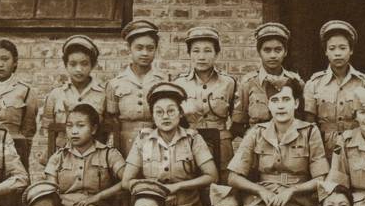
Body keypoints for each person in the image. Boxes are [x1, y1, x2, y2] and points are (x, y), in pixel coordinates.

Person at [227, 76, 328, 206]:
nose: (280, 106)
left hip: (298, 202)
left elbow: (321, 178)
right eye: (275, 100)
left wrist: (292, 191)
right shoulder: (257, 132)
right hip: (261, 201)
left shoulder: (309, 132)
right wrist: (260, 190)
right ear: (269, 105)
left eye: (286, 99)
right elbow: (233, 177)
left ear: (296, 103)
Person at [122, 82, 218, 206]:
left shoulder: (192, 139)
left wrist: (178, 187)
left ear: (180, 113)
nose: (165, 116)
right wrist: (155, 191)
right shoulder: (143, 140)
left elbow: (212, 175)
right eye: (159, 112)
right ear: (152, 116)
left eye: (171, 111)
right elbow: (126, 181)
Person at [43, 103, 126, 206]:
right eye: (69, 126)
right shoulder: (58, 157)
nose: (74, 131)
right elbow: (50, 193)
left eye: (80, 126)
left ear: (93, 129)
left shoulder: (108, 154)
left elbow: (128, 180)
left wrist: (97, 198)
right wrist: (72, 205)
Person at [171, 26, 237, 177]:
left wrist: (225, 136)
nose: (201, 56)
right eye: (196, 51)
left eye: (207, 51)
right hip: (189, 144)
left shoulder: (228, 83)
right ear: (189, 54)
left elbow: (238, 119)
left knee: (222, 185)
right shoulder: (179, 84)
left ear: (217, 54)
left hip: (222, 146)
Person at [303, 20, 365, 156]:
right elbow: (309, 124)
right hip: (324, 149)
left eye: (342, 48)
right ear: (326, 51)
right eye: (332, 48)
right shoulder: (314, 83)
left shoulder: (364, 82)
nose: (337, 53)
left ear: (351, 50)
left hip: (357, 147)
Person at [104, 19, 166, 158]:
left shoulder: (163, 82)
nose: (145, 53)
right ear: (129, 49)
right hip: (124, 143)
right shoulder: (115, 84)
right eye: (139, 48)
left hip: (157, 141)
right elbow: (111, 120)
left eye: (150, 48)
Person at [231, 22, 304, 136]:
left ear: (285, 52)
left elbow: (303, 121)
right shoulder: (248, 83)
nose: (273, 55)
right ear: (259, 52)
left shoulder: (296, 82)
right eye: (267, 50)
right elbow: (238, 125)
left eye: (278, 50)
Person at [41, 35, 107, 155]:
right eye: (73, 64)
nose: (78, 69)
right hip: (61, 156)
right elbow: (47, 131)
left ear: (93, 64)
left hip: (94, 157)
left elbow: (108, 132)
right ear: (65, 64)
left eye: (84, 64)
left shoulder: (103, 95)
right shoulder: (56, 95)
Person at [0, 39, 38, 169]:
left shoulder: (25, 91)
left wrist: (21, 153)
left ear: (15, 62)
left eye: (5, 59)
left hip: (13, 150)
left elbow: (28, 129)